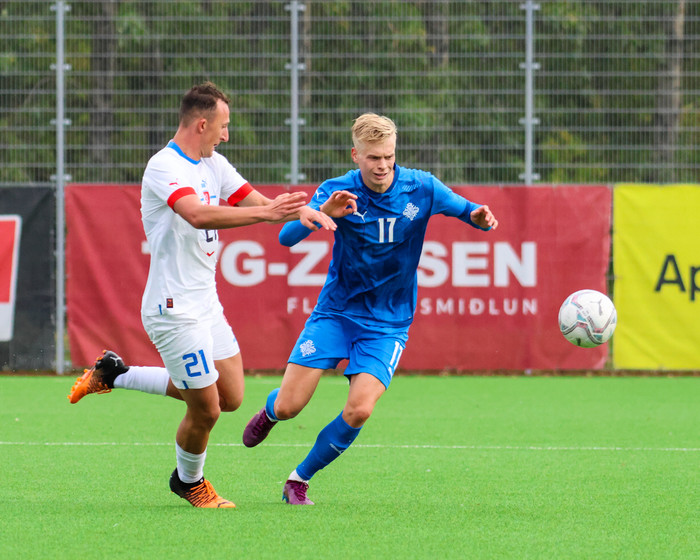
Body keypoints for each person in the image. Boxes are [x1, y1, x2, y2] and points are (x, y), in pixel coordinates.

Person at [67, 82, 345, 509]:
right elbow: (196, 214)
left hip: (206, 304)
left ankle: (115, 374)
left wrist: (308, 210)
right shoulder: (164, 166)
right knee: (207, 410)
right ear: (202, 124)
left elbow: (254, 199)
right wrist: (267, 213)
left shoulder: (213, 162)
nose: (226, 135)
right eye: (223, 126)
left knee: (230, 397)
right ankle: (189, 482)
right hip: (173, 310)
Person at [242, 112, 499, 505]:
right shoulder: (337, 191)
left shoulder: (421, 187)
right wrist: (324, 213)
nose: (383, 166)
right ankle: (272, 412)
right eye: (374, 158)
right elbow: (286, 238)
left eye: (389, 157)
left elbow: (470, 211)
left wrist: (480, 218)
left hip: (388, 323)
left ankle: (299, 479)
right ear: (356, 155)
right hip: (336, 314)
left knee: (360, 410)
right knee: (291, 405)